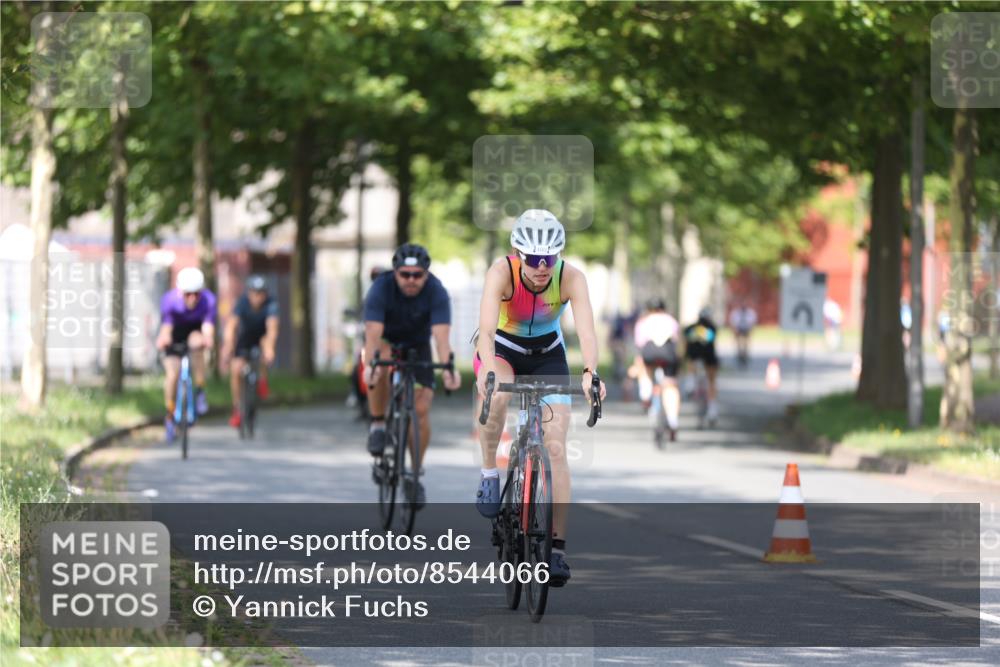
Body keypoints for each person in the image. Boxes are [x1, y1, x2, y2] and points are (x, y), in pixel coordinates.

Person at [474, 209, 607, 588]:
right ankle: (488, 472)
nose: (541, 268)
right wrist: (486, 369)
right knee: (497, 396)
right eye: (533, 260)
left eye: (549, 260)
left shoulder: (571, 277)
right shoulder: (501, 273)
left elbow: (586, 332)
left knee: (556, 447)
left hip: (548, 352)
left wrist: (589, 373)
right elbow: (485, 331)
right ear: (519, 253)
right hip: (502, 348)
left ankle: (557, 551)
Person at [362, 244, 461, 506]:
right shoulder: (381, 288)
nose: (411, 280)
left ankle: (414, 476)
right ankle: (378, 424)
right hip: (386, 340)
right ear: (395, 272)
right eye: (405, 274)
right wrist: (370, 366)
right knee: (379, 364)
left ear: (426, 274)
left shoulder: (437, 291)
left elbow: (441, 338)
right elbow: (372, 333)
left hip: (418, 346)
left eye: (417, 275)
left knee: (420, 409)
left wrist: (448, 369)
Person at [155, 267, 217, 442]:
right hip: (175, 333)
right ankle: (170, 411)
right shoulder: (169, 300)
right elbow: (166, 326)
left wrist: (208, 338)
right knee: (172, 373)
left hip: (194, 332)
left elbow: (208, 326)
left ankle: (199, 389)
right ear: (180, 291)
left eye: (196, 294)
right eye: (188, 294)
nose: (192, 299)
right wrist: (163, 338)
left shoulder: (208, 300)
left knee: (197, 345)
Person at [221, 274, 280, 429]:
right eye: (255, 292)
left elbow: (272, 328)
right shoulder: (242, 303)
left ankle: (262, 380)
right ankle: (237, 409)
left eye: (261, 293)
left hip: (261, 337)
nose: (258, 297)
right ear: (249, 293)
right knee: (236, 369)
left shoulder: (271, 304)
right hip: (245, 338)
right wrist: (227, 346)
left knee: (265, 345)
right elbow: (231, 326)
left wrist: (270, 349)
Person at [629, 299, 681, 442]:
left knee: (646, 369)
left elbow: (639, 345)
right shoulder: (671, 320)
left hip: (650, 351)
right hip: (668, 352)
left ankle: (645, 393)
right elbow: (677, 341)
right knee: (670, 386)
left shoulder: (643, 322)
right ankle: (673, 420)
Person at [682, 306, 719, 425]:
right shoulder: (712, 328)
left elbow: (685, 340)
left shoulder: (690, 329)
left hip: (694, 358)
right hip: (709, 359)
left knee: (691, 361)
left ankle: (690, 380)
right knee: (712, 382)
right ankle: (712, 408)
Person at [728, 299, 757, 368]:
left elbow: (752, 322)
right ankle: (740, 356)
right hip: (739, 330)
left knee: (746, 344)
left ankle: (745, 356)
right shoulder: (736, 312)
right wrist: (735, 330)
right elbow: (733, 322)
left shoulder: (750, 312)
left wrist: (750, 330)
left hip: (746, 330)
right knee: (739, 344)